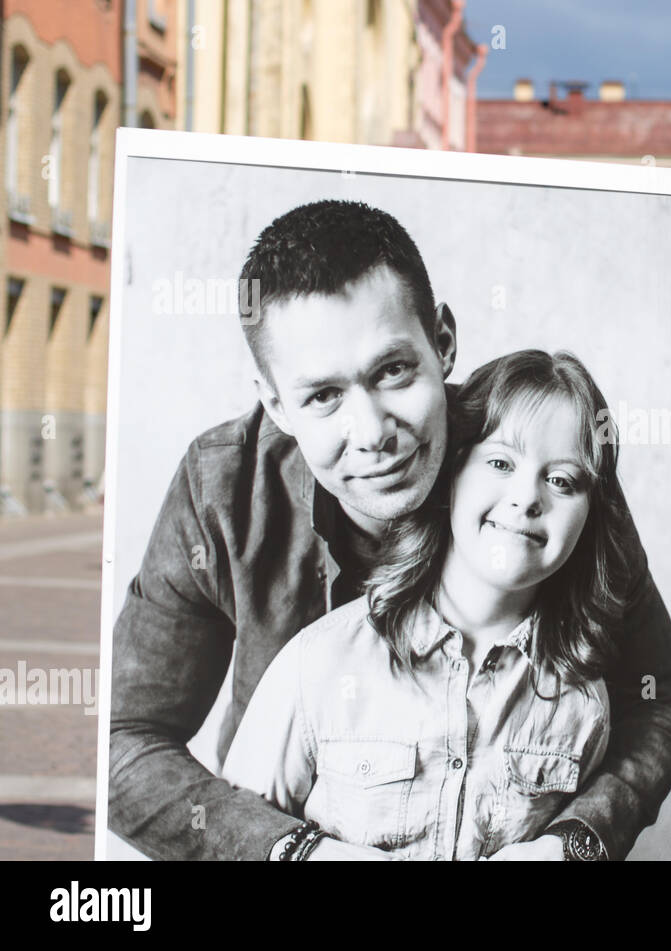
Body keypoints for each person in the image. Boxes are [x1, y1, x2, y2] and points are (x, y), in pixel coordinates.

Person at [109, 200, 671, 861]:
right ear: (276, 403)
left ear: (442, 342)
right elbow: (123, 745)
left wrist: (576, 842)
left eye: (392, 371)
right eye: (323, 395)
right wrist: (297, 852)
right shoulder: (222, 489)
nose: (373, 432)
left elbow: (658, 696)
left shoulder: (523, 455)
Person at [222, 351, 642, 858]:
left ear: (588, 517)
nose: (528, 497)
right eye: (501, 462)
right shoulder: (320, 663)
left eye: (562, 481)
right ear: (452, 472)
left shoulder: (583, 702)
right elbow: (234, 835)